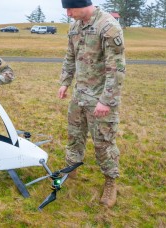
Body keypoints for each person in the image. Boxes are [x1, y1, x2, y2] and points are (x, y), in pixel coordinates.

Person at [58, 0, 125, 208]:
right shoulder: (75, 26)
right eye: (66, 10)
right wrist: (65, 82)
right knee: (74, 135)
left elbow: (117, 68)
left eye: (71, 9)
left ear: (84, 4)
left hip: (101, 98)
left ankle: (110, 182)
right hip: (80, 95)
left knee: (103, 142)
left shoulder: (108, 27)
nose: (68, 14)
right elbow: (70, 56)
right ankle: (71, 169)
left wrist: (106, 100)